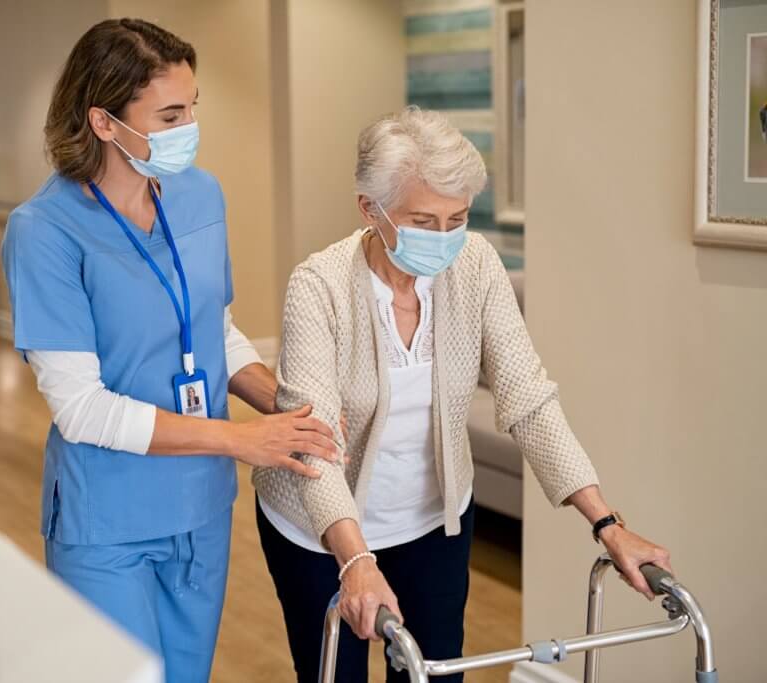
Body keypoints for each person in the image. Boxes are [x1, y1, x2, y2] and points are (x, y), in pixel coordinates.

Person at [253, 107, 673, 683]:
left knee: (435, 673)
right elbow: (313, 443)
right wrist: (355, 558)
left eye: (459, 218)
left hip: (431, 520)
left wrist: (607, 523)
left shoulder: (474, 264)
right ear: (368, 208)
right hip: (319, 532)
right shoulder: (318, 285)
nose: (445, 239)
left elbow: (528, 396)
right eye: (424, 220)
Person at [1, 18, 338, 682]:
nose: (190, 127)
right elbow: (82, 409)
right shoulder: (43, 232)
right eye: (170, 113)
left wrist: (289, 408)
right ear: (103, 121)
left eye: (193, 108)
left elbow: (213, 327)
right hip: (108, 523)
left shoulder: (199, 195)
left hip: (200, 508)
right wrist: (241, 439)